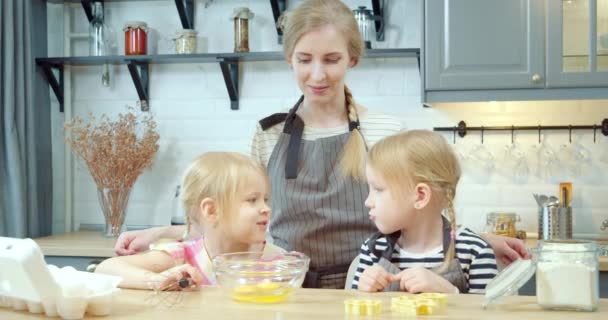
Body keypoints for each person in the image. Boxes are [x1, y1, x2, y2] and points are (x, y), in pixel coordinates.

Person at [113, 0, 529, 289]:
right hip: (283, 283)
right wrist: (163, 232)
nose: (317, 74)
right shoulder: (267, 135)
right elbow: (233, 214)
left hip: (370, 285)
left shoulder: (383, 129)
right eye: (304, 59)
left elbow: (420, 209)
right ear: (289, 59)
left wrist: (480, 241)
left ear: (352, 59)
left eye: (331, 59)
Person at [95, 152, 282, 290]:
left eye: (265, 199)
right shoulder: (182, 256)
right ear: (211, 210)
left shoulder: (279, 261)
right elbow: (106, 268)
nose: (266, 208)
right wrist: (157, 280)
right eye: (252, 200)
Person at [352, 130, 497, 294]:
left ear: (420, 196)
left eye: (378, 189)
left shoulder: (474, 251)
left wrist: (452, 294)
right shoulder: (373, 249)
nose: (367, 202)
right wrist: (361, 291)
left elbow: (488, 314)